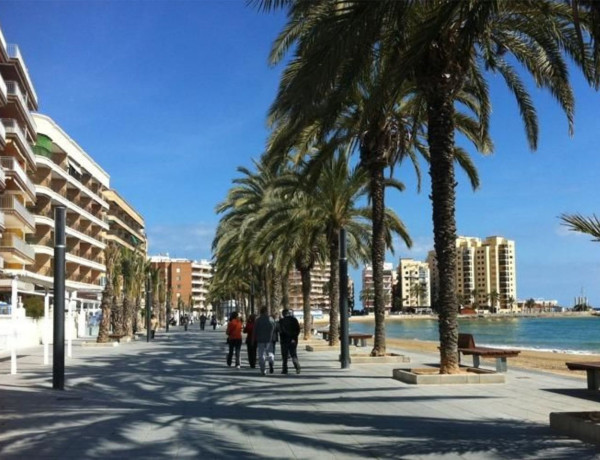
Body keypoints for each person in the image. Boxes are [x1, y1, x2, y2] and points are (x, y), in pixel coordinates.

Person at [254, 307, 275, 375]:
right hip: (269, 340)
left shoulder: (258, 320)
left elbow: (255, 330)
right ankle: (271, 359)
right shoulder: (271, 319)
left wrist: (253, 339)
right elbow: (274, 328)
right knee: (270, 353)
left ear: (260, 312)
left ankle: (263, 370)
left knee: (261, 356)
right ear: (266, 311)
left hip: (260, 340)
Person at [279, 309, 301, 374]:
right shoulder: (294, 320)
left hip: (284, 340)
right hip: (293, 340)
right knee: (293, 354)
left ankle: (285, 369)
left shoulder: (281, 321)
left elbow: (281, 331)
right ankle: (297, 367)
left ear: (283, 314)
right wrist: (294, 337)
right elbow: (298, 329)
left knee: (284, 356)